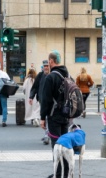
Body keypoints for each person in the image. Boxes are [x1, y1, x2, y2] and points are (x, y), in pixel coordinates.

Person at [40, 50, 70, 178]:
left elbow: (46, 100)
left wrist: (42, 118)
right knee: (65, 146)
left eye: (49, 62)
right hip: (66, 115)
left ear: (51, 61)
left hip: (54, 116)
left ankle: (58, 175)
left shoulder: (50, 77)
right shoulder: (67, 75)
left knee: (56, 147)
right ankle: (66, 173)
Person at [29, 60, 50, 144]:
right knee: (44, 118)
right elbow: (34, 87)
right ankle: (47, 134)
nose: (46, 67)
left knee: (49, 118)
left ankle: (47, 135)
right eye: (45, 66)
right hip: (42, 100)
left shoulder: (53, 75)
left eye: (47, 66)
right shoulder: (40, 76)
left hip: (52, 102)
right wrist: (31, 97)